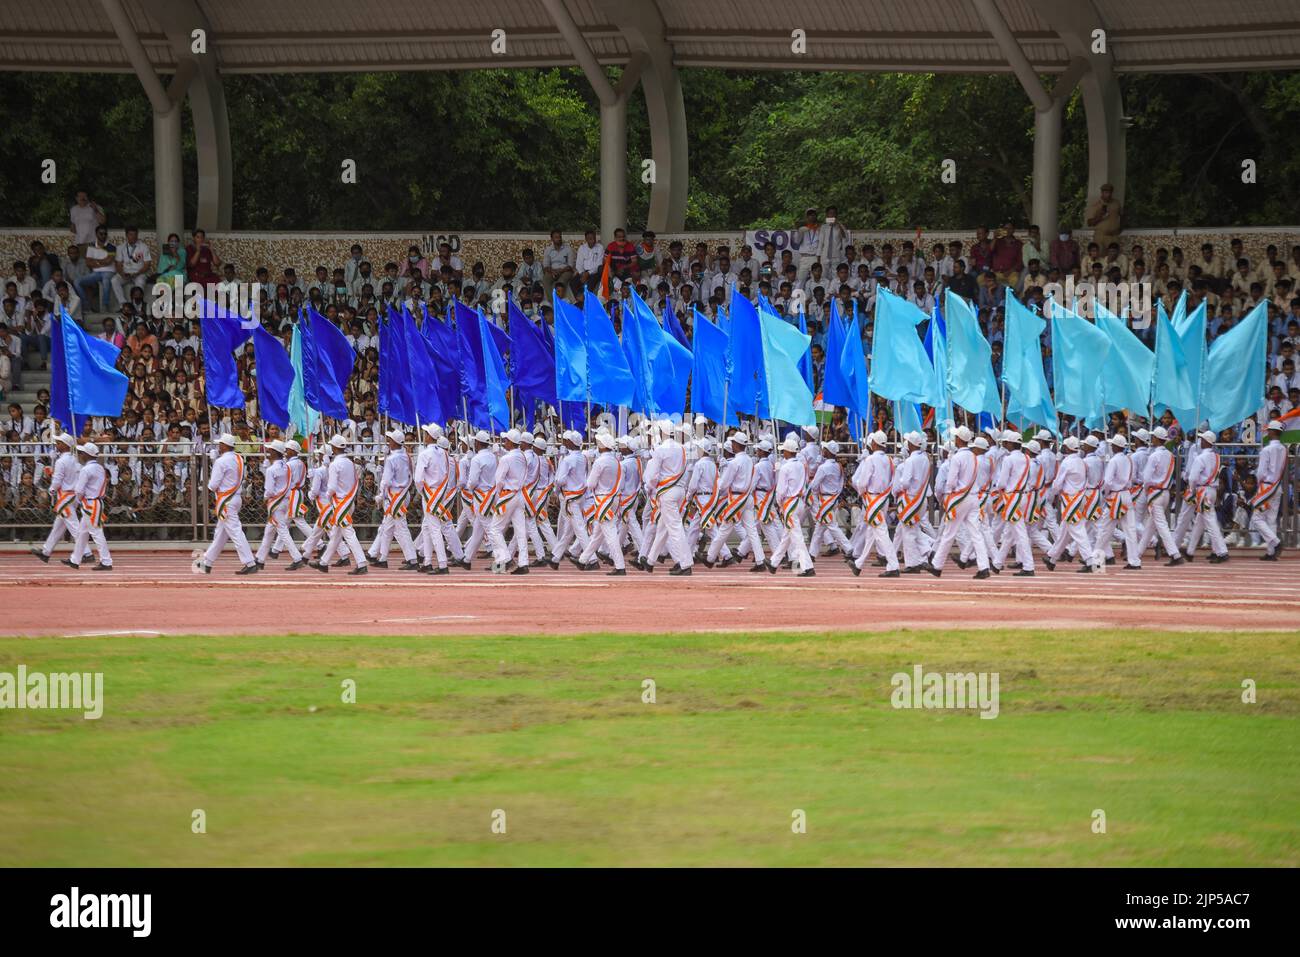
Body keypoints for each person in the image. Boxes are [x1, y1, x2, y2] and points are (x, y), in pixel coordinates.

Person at [927, 426, 990, 578]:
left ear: (960, 440)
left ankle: (937, 565)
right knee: (976, 534)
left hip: (959, 498)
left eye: (956, 437)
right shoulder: (974, 457)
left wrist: (949, 494)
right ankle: (984, 566)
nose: (955, 439)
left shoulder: (957, 458)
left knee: (949, 533)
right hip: (973, 497)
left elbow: (951, 482)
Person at [198, 433, 258, 575]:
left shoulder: (221, 461)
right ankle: (207, 562)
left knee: (235, 531)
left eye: (220, 444)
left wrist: (214, 463)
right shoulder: (239, 458)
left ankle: (250, 562)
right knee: (221, 532)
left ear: (225, 445)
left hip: (226, 501)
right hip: (235, 498)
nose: (219, 446)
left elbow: (213, 485)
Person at [640, 420, 693, 575]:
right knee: (663, 528)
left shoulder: (660, 449)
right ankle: (650, 560)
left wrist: (649, 488)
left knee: (675, 528)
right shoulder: (682, 448)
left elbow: (652, 476)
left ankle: (685, 563)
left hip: (667, 492)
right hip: (679, 490)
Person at [848, 431, 900, 577]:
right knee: (872, 532)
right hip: (883, 498)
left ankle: (893, 565)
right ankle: (859, 563)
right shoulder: (889, 460)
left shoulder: (870, 460)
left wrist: (860, 490)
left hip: (873, 499)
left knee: (880, 531)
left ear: (874, 443)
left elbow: (863, 482)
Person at [316, 434, 369, 574]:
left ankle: (362, 562)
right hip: (348, 501)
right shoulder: (350, 462)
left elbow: (332, 487)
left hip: (340, 503)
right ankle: (323, 562)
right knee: (336, 534)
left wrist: (327, 497)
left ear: (334, 447)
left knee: (348, 533)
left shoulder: (335, 464)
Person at [368, 427, 419, 570]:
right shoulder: (406, 456)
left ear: (395, 442)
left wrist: (380, 495)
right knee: (387, 528)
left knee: (401, 528)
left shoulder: (391, 459)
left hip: (394, 496)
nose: (388, 441)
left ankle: (412, 559)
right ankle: (383, 558)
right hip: (403, 493)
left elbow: (386, 481)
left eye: (390, 440)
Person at [576, 432, 626, 575]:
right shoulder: (617, 461)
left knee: (610, 534)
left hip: (603, 499)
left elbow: (590, 483)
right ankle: (583, 560)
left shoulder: (600, 462)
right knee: (598, 534)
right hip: (614, 498)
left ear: (602, 445)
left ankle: (620, 566)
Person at [767, 433, 815, 576]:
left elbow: (780, 490)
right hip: (799, 501)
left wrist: (779, 503)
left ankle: (807, 566)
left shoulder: (785, 467)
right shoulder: (801, 465)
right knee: (787, 535)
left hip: (789, 503)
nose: (783, 452)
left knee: (796, 536)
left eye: (784, 450)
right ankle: (774, 562)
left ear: (788, 451)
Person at [1092, 433, 1142, 570]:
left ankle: (1096, 562)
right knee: (1130, 530)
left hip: (1115, 497)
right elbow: (1131, 479)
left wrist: (1105, 494)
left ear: (1115, 446)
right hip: (1126, 495)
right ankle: (1134, 561)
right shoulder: (1129, 459)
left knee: (1104, 529)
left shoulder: (1114, 461)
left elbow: (1107, 482)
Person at [254, 439, 304, 568]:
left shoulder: (272, 469)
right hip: (286, 500)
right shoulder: (286, 466)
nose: (268, 451)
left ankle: (297, 558)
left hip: (276, 502)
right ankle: (260, 559)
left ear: (275, 452)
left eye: (270, 449)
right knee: (269, 530)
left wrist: (265, 498)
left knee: (282, 530)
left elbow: (269, 490)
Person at [30, 432, 80, 563]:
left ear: (65, 445)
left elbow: (57, 480)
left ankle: (85, 553)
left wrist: (51, 490)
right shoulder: (75, 459)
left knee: (74, 526)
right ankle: (46, 551)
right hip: (72, 495)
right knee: (58, 527)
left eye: (59, 443)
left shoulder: (62, 461)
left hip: (65, 497)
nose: (57, 445)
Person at [486, 429, 531, 574]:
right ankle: (523, 563)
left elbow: (498, 480)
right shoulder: (522, 456)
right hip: (520, 495)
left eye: (506, 440)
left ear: (511, 442)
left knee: (494, 529)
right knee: (520, 531)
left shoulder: (506, 459)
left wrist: (499, 495)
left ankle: (505, 559)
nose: (504, 442)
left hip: (508, 495)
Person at [414, 423, 456, 575]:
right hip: (441, 492)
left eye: (425, 434)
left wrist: (423, 492)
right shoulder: (443, 453)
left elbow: (418, 479)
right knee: (427, 528)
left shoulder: (424, 454)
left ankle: (442, 564)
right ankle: (427, 561)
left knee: (434, 528)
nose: (424, 436)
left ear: (429, 436)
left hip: (430, 493)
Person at [64, 442, 112, 570]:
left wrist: (78, 501)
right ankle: (75, 560)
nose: (80, 455)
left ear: (87, 454)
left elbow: (79, 490)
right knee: (81, 533)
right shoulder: (100, 468)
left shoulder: (86, 469)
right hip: (95, 502)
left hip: (90, 503)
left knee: (96, 533)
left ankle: (106, 561)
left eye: (82, 453)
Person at [1183, 430, 1229, 563]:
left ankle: (1221, 551)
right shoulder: (1216, 456)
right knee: (1200, 521)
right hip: (1212, 490)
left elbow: (1192, 478)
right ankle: (1190, 551)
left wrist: (1191, 491)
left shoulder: (1200, 458)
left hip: (1203, 491)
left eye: (1202, 439)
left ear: (1206, 441)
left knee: (1210, 521)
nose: (1200, 441)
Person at [1251, 419, 1286, 560]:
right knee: (1271, 519)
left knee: (1256, 518)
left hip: (1266, 487)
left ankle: (1275, 543)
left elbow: (1260, 472)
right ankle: (1271, 553)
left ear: (1272, 432)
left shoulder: (1266, 450)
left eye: (1269, 430)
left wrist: (1259, 483)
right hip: (1277, 486)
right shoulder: (1284, 448)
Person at [1085, 183, 1123, 256]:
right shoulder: (1095, 205)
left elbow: (1122, 215)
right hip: (1101, 236)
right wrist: (1100, 216)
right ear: (1102, 193)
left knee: (1115, 259)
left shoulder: (1116, 203)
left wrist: (1121, 227)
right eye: (1106, 192)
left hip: (1113, 236)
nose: (1108, 195)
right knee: (1100, 258)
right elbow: (1089, 223)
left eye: (1110, 192)